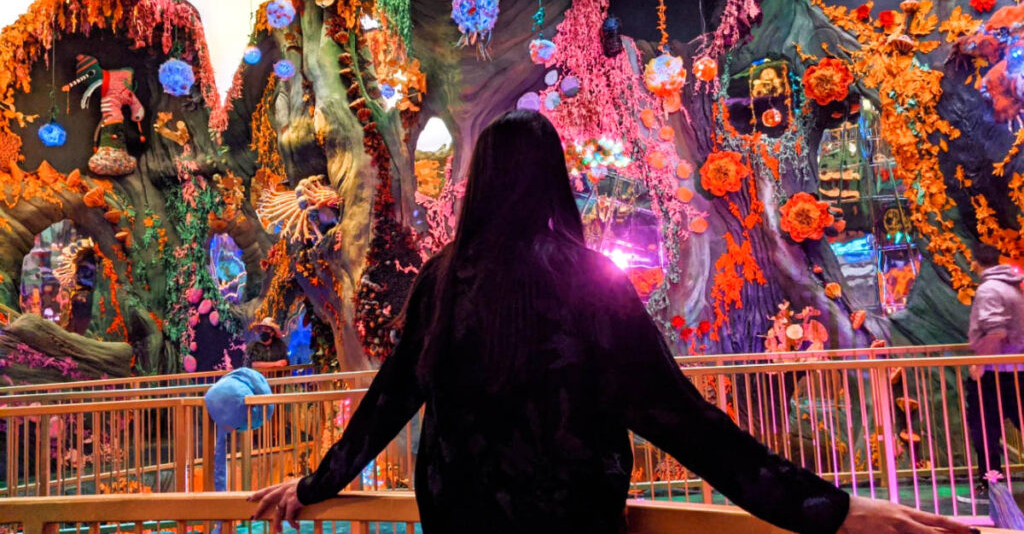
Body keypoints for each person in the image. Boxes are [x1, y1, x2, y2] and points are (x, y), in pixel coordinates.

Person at [251, 111, 973, 534]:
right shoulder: (591, 284)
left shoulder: (446, 279)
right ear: (554, 177)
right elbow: (689, 424)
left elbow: (387, 401)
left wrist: (314, 485)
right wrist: (832, 509)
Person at [965, 242, 1024, 497]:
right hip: (1018, 368)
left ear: (975, 262)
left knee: (985, 430)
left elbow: (996, 331)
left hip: (995, 373)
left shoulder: (989, 290)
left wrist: (980, 362)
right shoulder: (1016, 286)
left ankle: (992, 485)